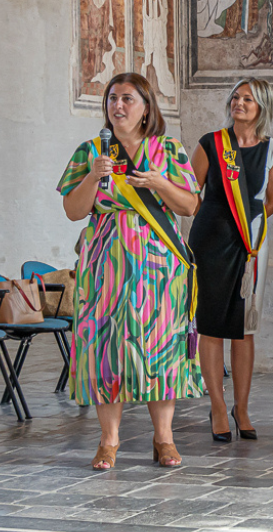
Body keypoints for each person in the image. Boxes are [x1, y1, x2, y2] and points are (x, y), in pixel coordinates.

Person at [58, 72, 205, 470]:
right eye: (111, 99)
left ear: (146, 109)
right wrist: (94, 174)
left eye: (127, 99)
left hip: (159, 268)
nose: (117, 106)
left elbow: (190, 206)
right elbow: (74, 211)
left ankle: (164, 439)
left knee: (159, 348)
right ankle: (109, 441)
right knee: (106, 348)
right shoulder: (90, 151)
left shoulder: (168, 151)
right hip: (104, 267)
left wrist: (159, 183)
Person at [189, 79, 273, 442]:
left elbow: (272, 201)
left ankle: (241, 407)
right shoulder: (210, 143)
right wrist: (215, 221)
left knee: (244, 329)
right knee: (211, 327)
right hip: (210, 241)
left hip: (249, 244)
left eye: (247, 99)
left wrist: (248, 227)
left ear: (262, 106)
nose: (239, 103)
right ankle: (217, 406)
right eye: (235, 97)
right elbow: (190, 192)